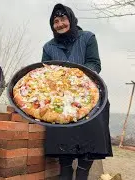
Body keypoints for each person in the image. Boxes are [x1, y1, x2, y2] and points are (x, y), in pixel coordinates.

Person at [42, 4, 113, 180]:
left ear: (71, 19)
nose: (60, 24)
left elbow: (94, 64)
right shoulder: (48, 47)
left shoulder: (87, 37)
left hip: (88, 94)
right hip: (60, 99)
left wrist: (76, 78)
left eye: (63, 19)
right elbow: (45, 73)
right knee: (62, 141)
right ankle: (65, 169)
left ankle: (83, 171)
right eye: (55, 21)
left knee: (90, 136)